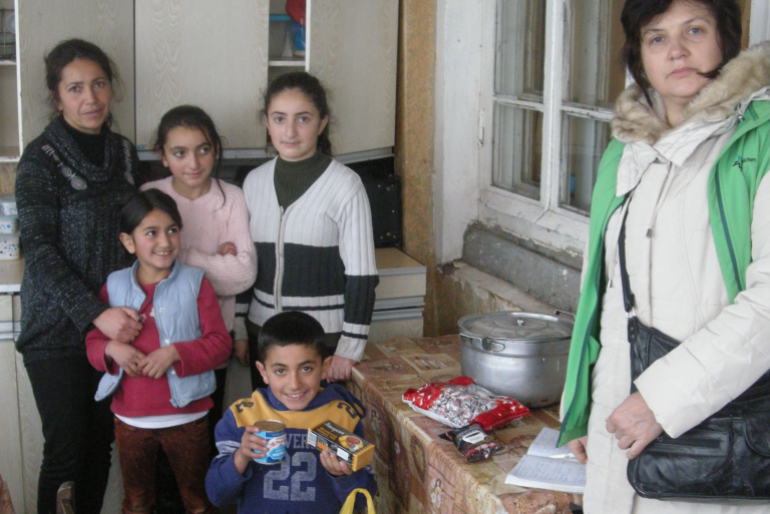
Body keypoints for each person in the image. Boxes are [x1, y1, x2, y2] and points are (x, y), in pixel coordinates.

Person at [558, 0, 770, 512]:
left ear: (726, 40)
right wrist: (583, 407)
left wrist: (661, 400)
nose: (676, 51)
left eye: (694, 31)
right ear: (640, 56)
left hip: (715, 432)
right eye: (656, 38)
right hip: (620, 425)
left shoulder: (757, 140)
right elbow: (606, 293)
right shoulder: (627, 150)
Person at [15, 38, 142, 514]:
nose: (90, 98)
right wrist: (96, 313)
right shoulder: (40, 158)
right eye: (75, 88)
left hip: (115, 329)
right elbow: (40, 250)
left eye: (98, 84)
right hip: (57, 333)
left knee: (99, 449)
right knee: (66, 452)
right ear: (57, 96)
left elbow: (141, 229)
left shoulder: (124, 153)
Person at [85, 189, 231, 514]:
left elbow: (220, 344)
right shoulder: (114, 285)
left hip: (188, 415)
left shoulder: (195, 282)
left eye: (172, 230)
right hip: (131, 417)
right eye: (151, 232)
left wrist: (175, 353)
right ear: (128, 241)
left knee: (197, 501)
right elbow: (92, 345)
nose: (165, 241)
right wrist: (112, 349)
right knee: (136, 502)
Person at [242, 71, 378, 388]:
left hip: (321, 345)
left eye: (303, 118)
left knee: (319, 434)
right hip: (264, 338)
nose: (289, 131)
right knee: (269, 431)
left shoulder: (345, 185)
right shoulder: (253, 183)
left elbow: (362, 275)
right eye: (279, 118)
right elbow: (244, 262)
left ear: (322, 122)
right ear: (266, 122)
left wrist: (350, 347)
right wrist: (238, 328)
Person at [142, 105, 257, 437]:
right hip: (156, 340)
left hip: (211, 341)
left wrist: (183, 257)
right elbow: (146, 272)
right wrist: (214, 259)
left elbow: (243, 275)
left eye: (203, 150)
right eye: (180, 153)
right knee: (159, 440)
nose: (193, 163)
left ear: (215, 150)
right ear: (163, 156)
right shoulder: (150, 197)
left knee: (203, 437)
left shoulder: (231, 198)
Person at [205, 311, 377, 514]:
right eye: (280, 371)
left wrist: (342, 476)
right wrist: (241, 457)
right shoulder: (242, 417)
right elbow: (217, 495)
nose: (294, 384)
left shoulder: (342, 416)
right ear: (263, 372)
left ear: (324, 368)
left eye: (306, 369)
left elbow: (363, 501)